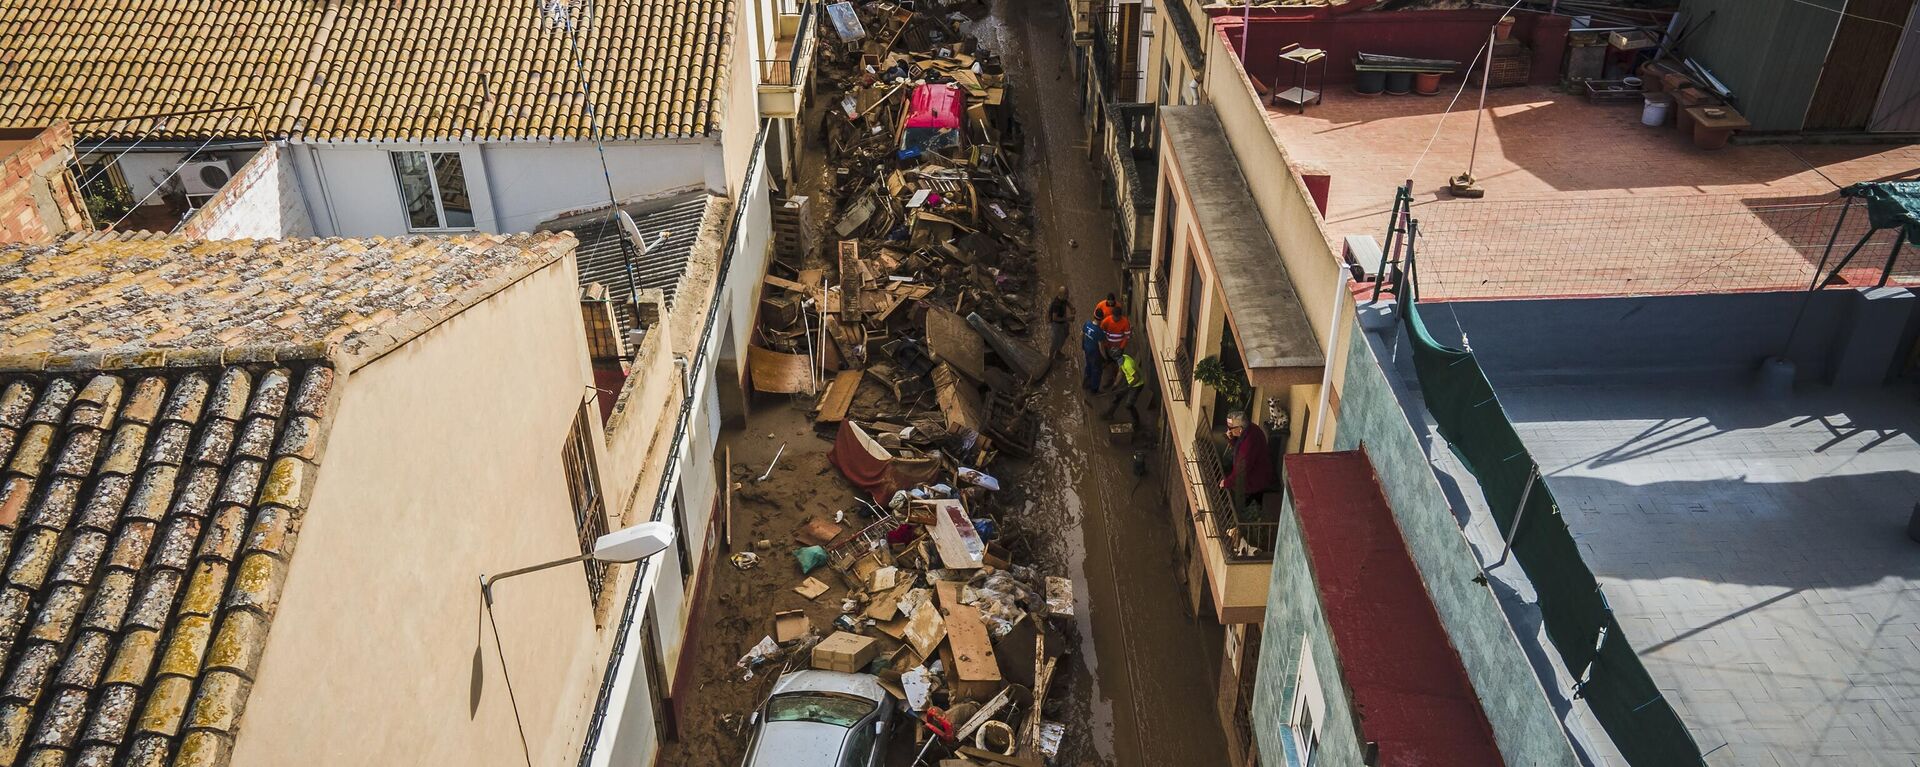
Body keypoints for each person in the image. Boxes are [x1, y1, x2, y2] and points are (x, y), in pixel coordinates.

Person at [1219, 410, 1274, 506]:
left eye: (1230, 428)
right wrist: (1231, 438)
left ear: (1240, 429)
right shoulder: (1251, 428)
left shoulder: (1249, 443)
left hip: (1255, 481)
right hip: (1258, 472)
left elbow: (1241, 471)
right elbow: (1239, 446)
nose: (1228, 430)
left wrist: (1226, 483)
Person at [1103, 348, 1147, 423]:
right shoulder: (1123, 358)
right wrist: (1115, 385)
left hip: (1137, 385)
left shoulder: (1128, 365)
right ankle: (1109, 414)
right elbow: (1120, 372)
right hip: (1130, 380)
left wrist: (1129, 386)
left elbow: (1137, 377)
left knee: (1129, 405)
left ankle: (1136, 422)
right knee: (1118, 397)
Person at [1046, 287, 1073, 369]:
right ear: (1062, 295)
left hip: (1063, 322)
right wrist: (1068, 319)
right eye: (1067, 295)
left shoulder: (1063, 299)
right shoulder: (1056, 305)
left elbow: (1067, 302)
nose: (1068, 296)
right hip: (1057, 324)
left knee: (1063, 337)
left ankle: (1058, 353)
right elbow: (1055, 318)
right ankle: (1049, 360)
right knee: (1054, 342)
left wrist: (1071, 308)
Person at [1080, 317, 1105, 393]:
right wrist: (1105, 357)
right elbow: (1101, 347)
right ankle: (1094, 389)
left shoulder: (1087, 323)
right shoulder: (1099, 331)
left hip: (1087, 349)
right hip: (1095, 353)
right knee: (1096, 370)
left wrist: (1082, 345)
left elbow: (1081, 334)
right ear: (1101, 319)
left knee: (1088, 365)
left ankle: (1086, 383)